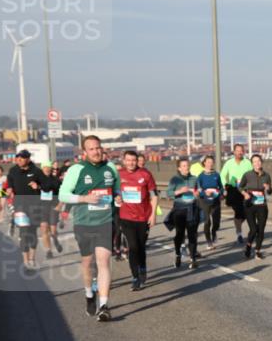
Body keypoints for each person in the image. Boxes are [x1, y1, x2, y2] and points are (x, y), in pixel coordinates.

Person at [58, 135, 120, 321]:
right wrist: (84, 199)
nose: (96, 151)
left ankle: (103, 305)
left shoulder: (110, 168)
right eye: (91, 149)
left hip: (105, 221)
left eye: (98, 147)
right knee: (88, 263)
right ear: (85, 152)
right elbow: (63, 194)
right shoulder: (76, 170)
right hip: (83, 223)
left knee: (103, 261)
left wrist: (117, 198)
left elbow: (116, 189)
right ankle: (89, 294)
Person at [117, 150, 158, 290]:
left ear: (137, 160)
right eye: (128, 160)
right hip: (126, 217)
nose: (131, 163)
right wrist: (117, 199)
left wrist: (153, 215)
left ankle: (142, 267)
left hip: (143, 217)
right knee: (133, 247)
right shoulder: (119, 174)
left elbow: (154, 196)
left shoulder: (145, 174)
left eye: (133, 160)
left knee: (141, 247)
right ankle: (135, 277)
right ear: (124, 161)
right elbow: (114, 193)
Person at [7, 149, 45, 270]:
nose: (19, 159)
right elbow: (10, 185)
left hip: (34, 205)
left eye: (22, 158)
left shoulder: (36, 171)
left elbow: (48, 186)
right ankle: (25, 262)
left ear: (28, 159)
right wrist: (10, 190)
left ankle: (32, 259)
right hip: (19, 206)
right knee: (24, 233)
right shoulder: (13, 171)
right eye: (17, 157)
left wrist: (38, 186)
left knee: (32, 233)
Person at [166, 158, 200, 270]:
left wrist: (197, 194)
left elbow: (199, 191)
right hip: (179, 210)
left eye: (187, 165)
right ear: (179, 168)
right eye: (184, 166)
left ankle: (193, 259)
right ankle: (178, 254)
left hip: (192, 209)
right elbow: (168, 193)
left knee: (192, 234)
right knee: (179, 235)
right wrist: (180, 191)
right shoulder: (175, 179)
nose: (186, 168)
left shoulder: (194, 178)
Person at [238, 154, 272, 260]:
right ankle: (248, 246)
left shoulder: (266, 175)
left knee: (261, 229)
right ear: (252, 164)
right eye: (254, 162)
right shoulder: (247, 175)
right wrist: (245, 194)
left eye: (259, 161)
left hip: (262, 205)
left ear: (261, 162)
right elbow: (240, 187)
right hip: (250, 205)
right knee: (253, 229)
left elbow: (270, 192)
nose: (257, 163)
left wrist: (268, 188)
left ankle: (257, 251)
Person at [220, 144, 253, 245]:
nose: (239, 152)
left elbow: (252, 175)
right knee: (238, 212)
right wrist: (225, 185)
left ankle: (239, 227)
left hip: (245, 191)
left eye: (241, 150)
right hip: (233, 191)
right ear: (234, 152)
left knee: (245, 214)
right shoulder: (229, 163)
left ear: (244, 151)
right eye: (237, 150)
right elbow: (222, 175)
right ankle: (239, 234)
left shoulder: (247, 163)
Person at [195, 155, 223, 250]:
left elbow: (221, 186)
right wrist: (204, 192)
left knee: (216, 223)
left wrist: (221, 193)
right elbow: (198, 189)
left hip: (215, 201)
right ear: (204, 163)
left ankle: (214, 232)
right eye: (208, 162)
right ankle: (209, 242)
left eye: (212, 162)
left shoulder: (216, 175)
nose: (210, 164)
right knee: (207, 222)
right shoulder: (201, 176)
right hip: (205, 201)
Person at [37, 161, 63, 257]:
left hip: (53, 207)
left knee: (53, 231)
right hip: (41, 207)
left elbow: (62, 194)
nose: (47, 169)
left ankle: (55, 239)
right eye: (45, 167)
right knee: (44, 229)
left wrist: (60, 206)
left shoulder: (56, 180)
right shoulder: (37, 180)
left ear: (51, 169)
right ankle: (48, 250)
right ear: (42, 169)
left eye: (48, 167)